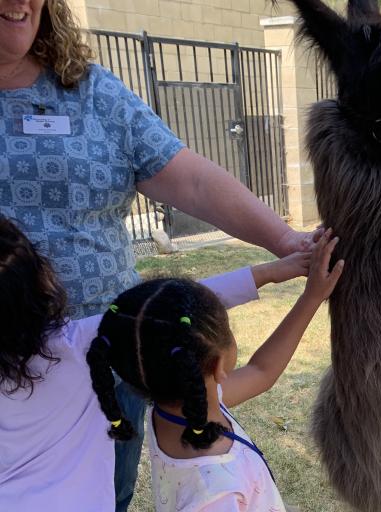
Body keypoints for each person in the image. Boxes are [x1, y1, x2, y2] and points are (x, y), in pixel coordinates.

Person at [0, 1, 319, 509]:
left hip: (111, 371)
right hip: (111, 358)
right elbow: (174, 321)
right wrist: (275, 273)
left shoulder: (89, 91)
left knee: (116, 485)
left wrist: (283, 248)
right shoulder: (93, 336)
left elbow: (187, 179)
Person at [0, 215, 324, 510]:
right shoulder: (217, 492)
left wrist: (301, 289)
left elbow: (257, 369)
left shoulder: (174, 415)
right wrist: (273, 274)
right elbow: (163, 318)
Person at [87, 228, 343, 512]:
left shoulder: (173, 407)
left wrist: (308, 296)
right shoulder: (217, 495)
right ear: (218, 364)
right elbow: (259, 370)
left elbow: (262, 370)